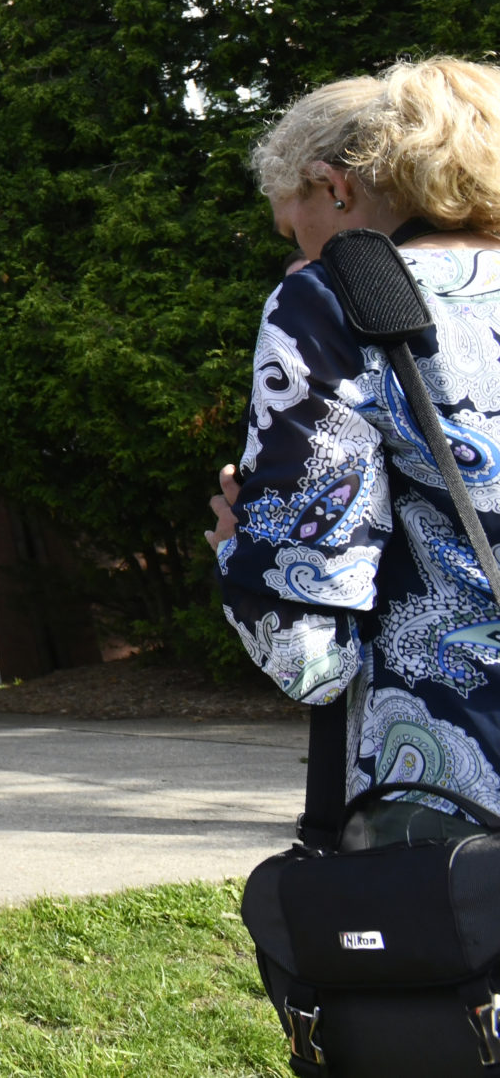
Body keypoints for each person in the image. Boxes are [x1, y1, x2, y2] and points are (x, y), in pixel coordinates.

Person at [211, 59, 500, 851]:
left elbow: (310, 652)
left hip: (457, 794)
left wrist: (244, 544)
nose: (292, 254)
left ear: (333, 188)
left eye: (289, 224)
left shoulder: (336, 299)